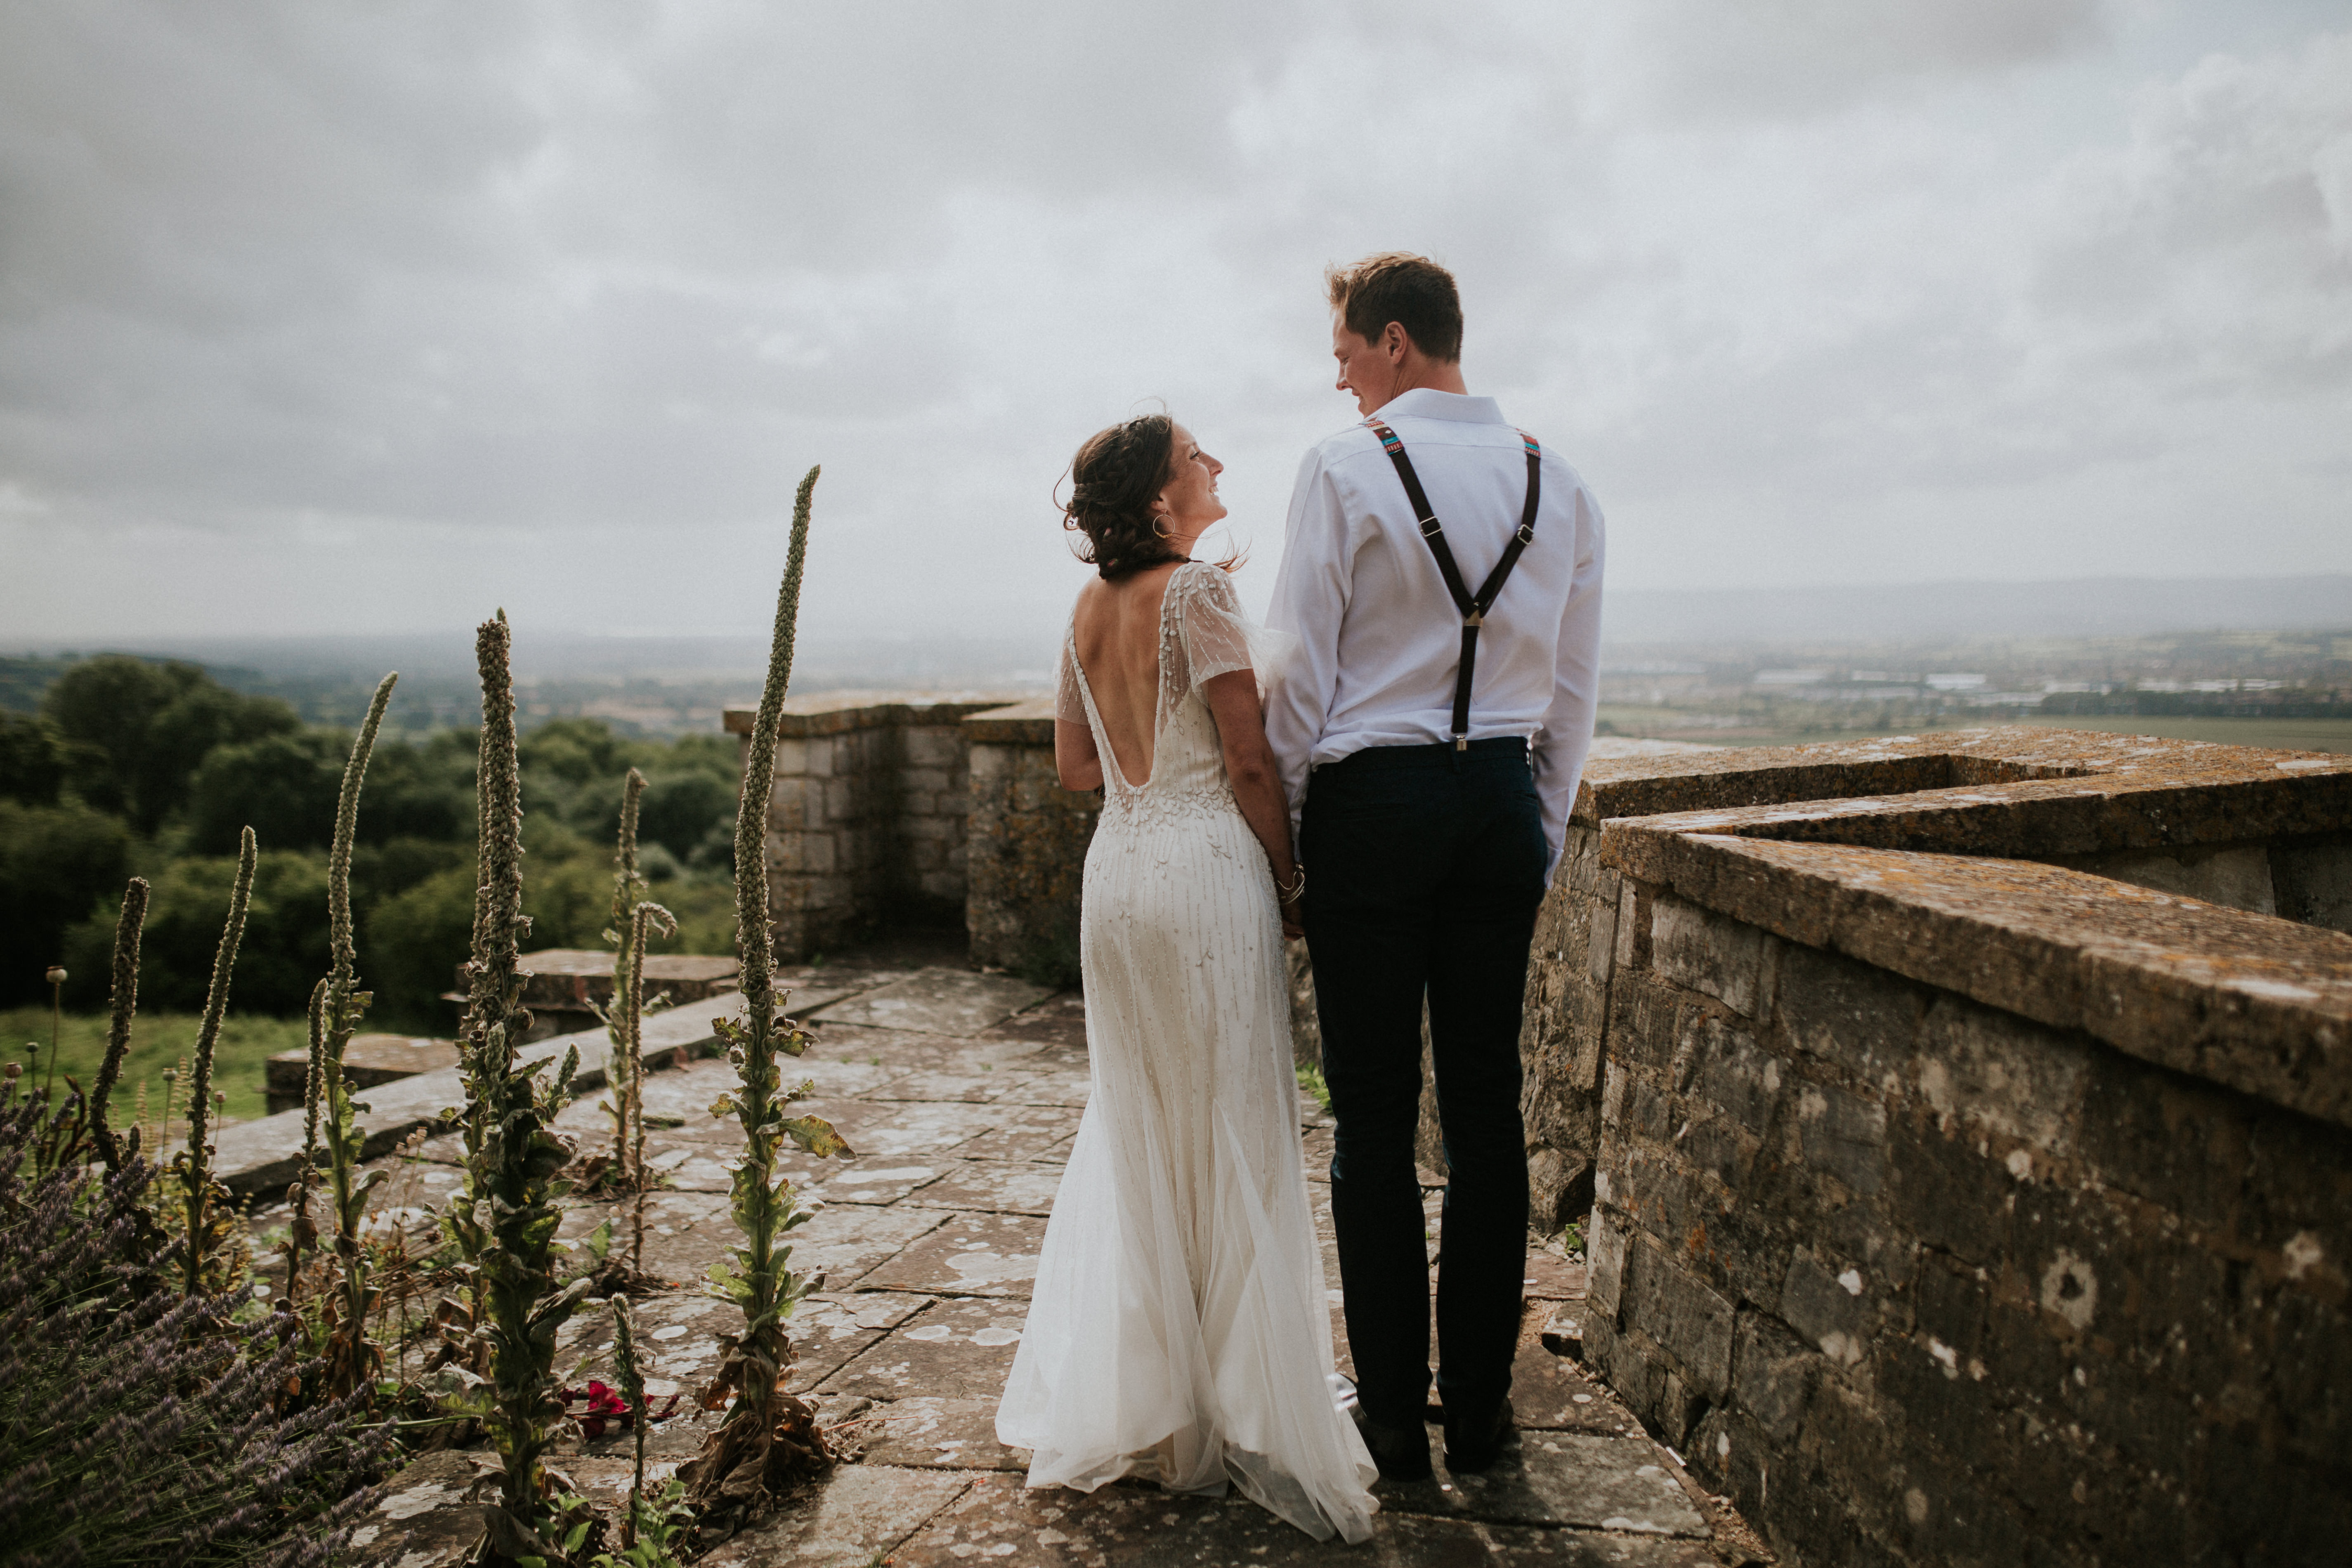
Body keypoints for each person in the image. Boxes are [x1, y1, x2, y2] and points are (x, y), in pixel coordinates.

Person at [995, 413, 1379, 1542]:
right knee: (1232, 1118)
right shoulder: (1199, 595)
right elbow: (1250, 756)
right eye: (1195, 457)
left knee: (1146, 1123)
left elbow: (1076, 768)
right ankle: (1250, 1401)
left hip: (1118, 875)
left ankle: (1162, 1404)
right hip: (1207, 869)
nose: (1215, 465)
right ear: (1162, 500)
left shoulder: (1083, 609)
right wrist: (1291, 879)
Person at [1264, 253, 1606, 1480]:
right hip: (1496, 802)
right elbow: (1571, 692)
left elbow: (1301, 674)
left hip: (1373, 803)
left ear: (1394, 341)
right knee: (1484, 1114)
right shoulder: (1556, 481)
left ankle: (1395, 1425)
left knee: (1369, 1114)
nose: (1342, 380)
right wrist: (1535, 828)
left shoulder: (1345, 465)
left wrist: (1290, 840)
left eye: (1348, 356)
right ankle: (1485, 1413)